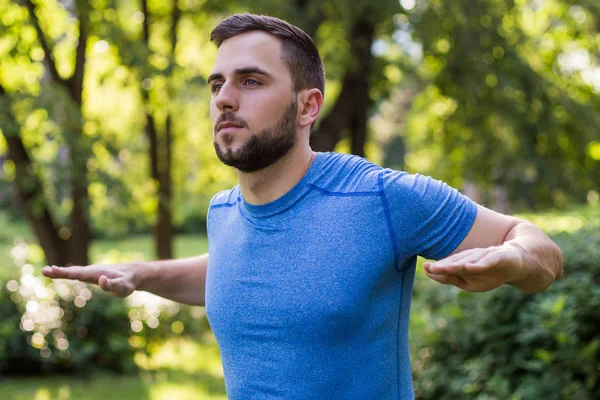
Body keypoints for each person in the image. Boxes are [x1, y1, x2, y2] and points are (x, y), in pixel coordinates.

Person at [42, 13, 563, 400]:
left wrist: (515, 261)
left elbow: (540, 250)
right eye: (217, 83)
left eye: (250, 81)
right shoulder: (223, 213)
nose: (225, 97)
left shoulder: (380, 198)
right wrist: (141, 273)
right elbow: (237, 272)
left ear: (307, 105)